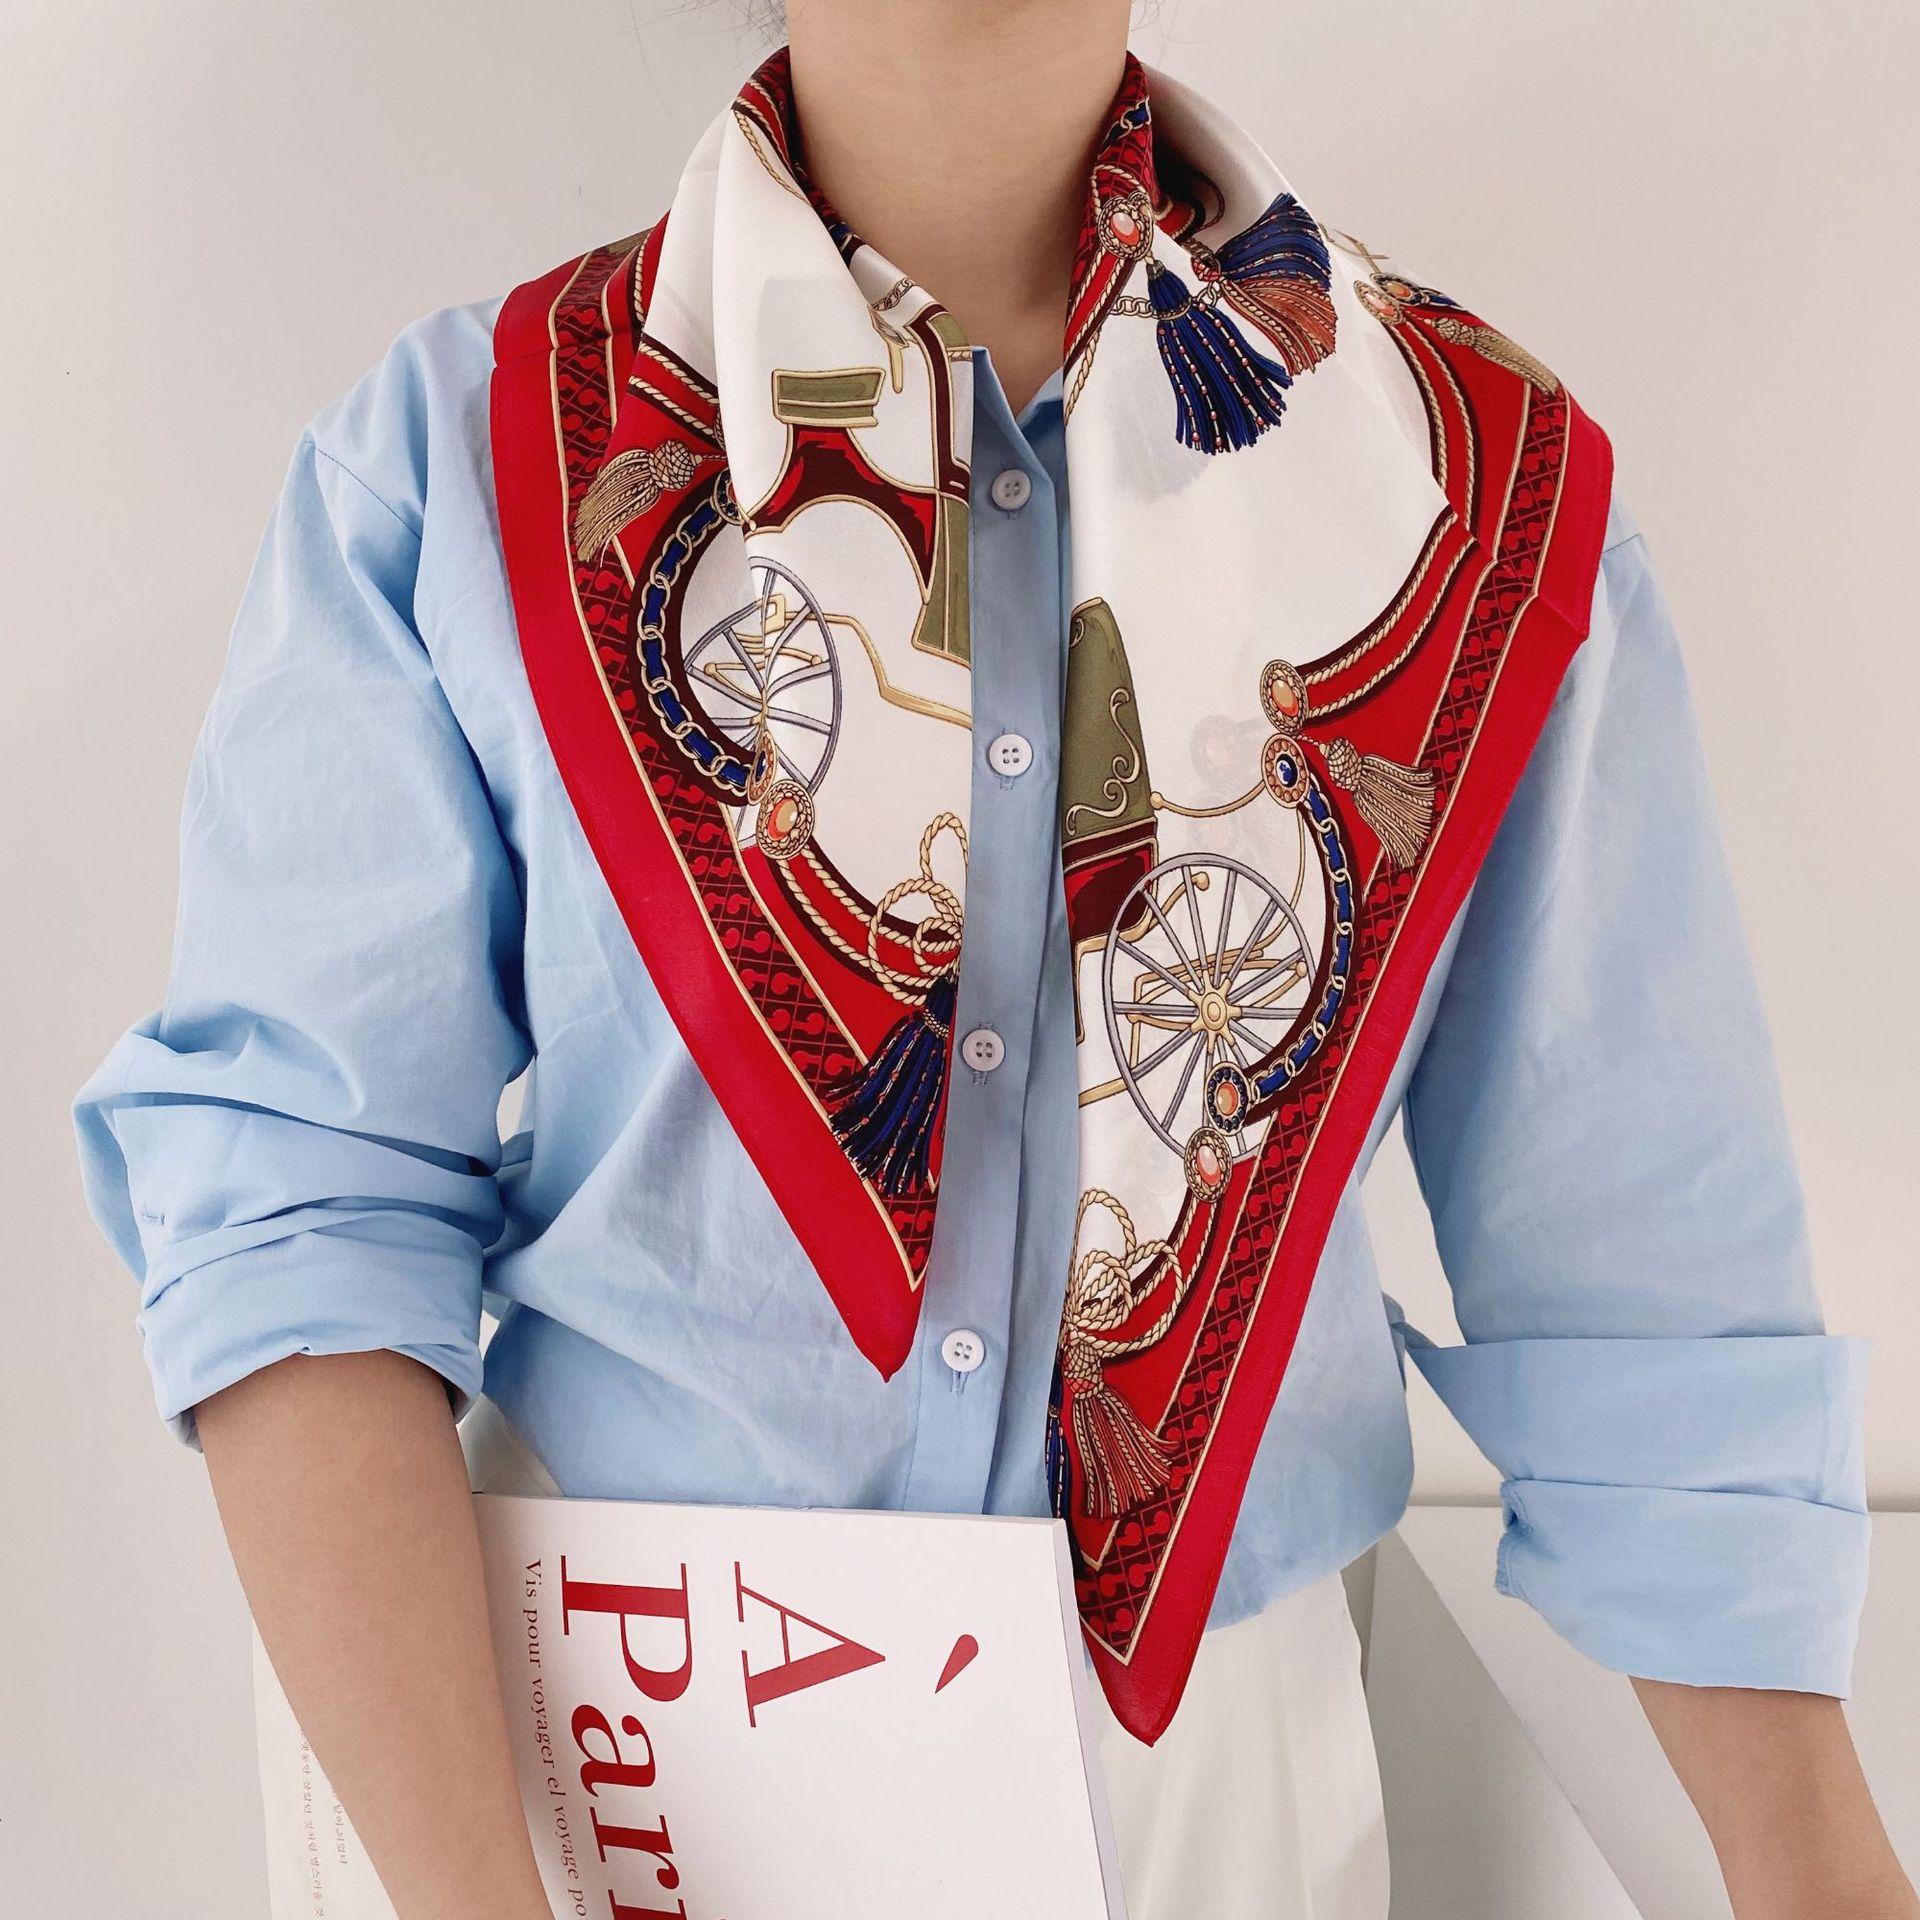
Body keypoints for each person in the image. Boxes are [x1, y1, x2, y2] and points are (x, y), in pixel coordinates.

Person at [74, 2, 1917, 1917]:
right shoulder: (462, 465)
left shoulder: (1470, 500)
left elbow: (1634, 1260)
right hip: (588, 1764)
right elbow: (300, 1222)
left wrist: (1820, 1871)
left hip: (1202, 1794)